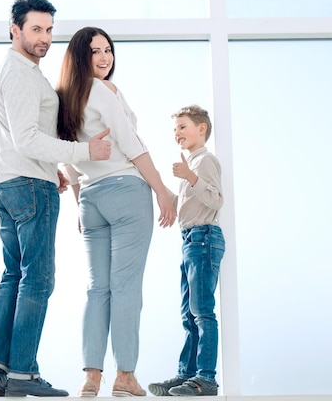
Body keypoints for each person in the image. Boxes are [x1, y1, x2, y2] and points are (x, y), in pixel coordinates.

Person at [0, 0, 112, 398]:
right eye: (35, 29)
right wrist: (84, 153)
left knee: (14, 276)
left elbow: (21, 136)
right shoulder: (20, 73)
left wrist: (52, 169)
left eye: (49, 30)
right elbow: (28, 138)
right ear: (14, 28)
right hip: (26, 185)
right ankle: (23, 373)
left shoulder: (18, 71)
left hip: (8, 181)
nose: (44, 38)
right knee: (37, 280)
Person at [55, 26, 177, 397]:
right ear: (81, 57)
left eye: (108, 50)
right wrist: (162, 191)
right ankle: (124, 376)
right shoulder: (104, 91)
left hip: (92, 199)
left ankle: (91, 377)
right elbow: (131, 142)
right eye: (95, 51)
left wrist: (80, 202)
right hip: (126, 192)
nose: (105, 57)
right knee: (125, 288)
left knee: (97, 290)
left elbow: (69, 158)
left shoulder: (65, 99)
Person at [148, 105, 225, 397]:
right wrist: (155, 184)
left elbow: (216, 200)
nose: (177, 133)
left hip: (204, 237)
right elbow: (184, 204)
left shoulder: (204, 161)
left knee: (202, 311)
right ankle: (187, 374)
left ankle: (205, 378)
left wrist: (190, 177)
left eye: (182, 127)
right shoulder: (190, 165)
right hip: (191, 240)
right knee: (188, 313)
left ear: (201, 128)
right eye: (175, 129)